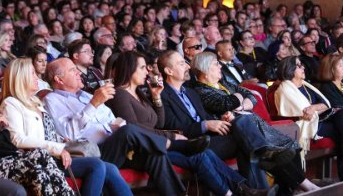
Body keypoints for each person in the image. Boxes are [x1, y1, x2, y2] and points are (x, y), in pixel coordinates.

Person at [106, 51, 271, 196]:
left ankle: (248, 187)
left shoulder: (141, 94)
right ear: (129, 69)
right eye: (142, 67)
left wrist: (156, 97)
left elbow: (158, 122)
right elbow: (135, 129)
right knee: (202, 153)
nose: (147, 70)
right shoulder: (120, 94)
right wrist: (173, 136)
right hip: (145, 149)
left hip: (165, 142)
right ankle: (242, 188)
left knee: (240, 134)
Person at [43, 57, 187, 196]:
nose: (79, 72)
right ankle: (172, 144)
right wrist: (93, 104)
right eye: (72, 70)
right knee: (129, 130)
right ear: (59, 79)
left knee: (154, 154)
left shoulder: (86, 95)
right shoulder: (53, 100)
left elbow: (113, 120)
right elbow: (69, 132)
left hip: (118, 146)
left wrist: (120, 128)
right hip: (95, 153)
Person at [0, 58, 133, 196]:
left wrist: (62, 140)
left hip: (52, 155)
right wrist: (58, 147)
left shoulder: (34, 102)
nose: (37, 78)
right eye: (32, 73)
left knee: (109, 168)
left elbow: (46, 132)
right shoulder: (11, 103)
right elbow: (18, 139)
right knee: (96, 165)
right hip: (35, 161)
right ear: (20, 78)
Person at [190, 52, 318, 195]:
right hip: (235, 130)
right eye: (216, 63)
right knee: (253, 142)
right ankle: (304, 185)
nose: (220, 66)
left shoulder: (223, 83)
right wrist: (239, 97)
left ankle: (289, 188)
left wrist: (242, 105)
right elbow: (227, 103)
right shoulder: (201, 90)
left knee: (288, 146)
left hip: (252, 126)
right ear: (205, 69)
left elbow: (251, 96)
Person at [274, 56, 343, 180]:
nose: (303, 67)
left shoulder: (306, 85)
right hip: (304, 125)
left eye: (302, 64)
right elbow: (305, 112)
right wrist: (317, 108)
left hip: (319, 121)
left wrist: (315, 107)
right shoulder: (285, 88)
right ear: (289, 69)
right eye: (299, 65)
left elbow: (326, 104)